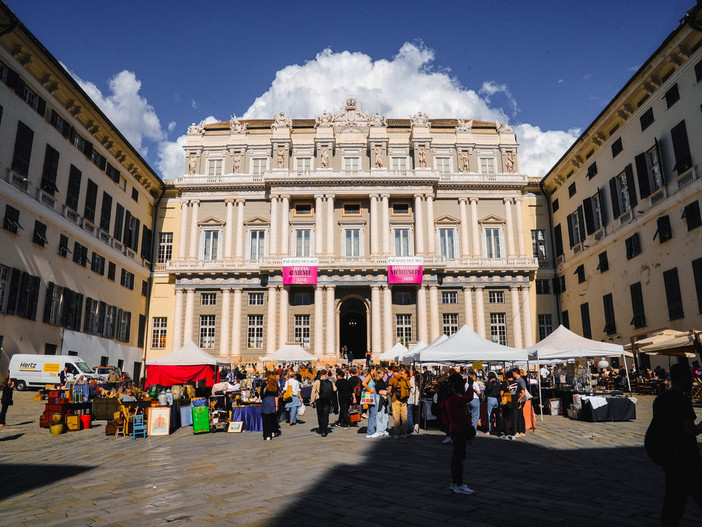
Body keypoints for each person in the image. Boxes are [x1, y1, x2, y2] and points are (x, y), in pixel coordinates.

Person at [649, 363, 702, 525]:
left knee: (674, 499)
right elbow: (690, 430)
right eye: (689, 377)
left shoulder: (660, 399)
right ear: (683, 378)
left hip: (669, 455)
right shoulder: (682, 401)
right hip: (685, 455)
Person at [445, 372, 475, 495]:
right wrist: (471, 385)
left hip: (456, 429)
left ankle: (456, 482)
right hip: (459, 430)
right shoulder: (454, 398)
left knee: (457, 458)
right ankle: (458, 484)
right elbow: (468, 398)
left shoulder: (451, 397)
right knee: (459, 458)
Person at [310, 369, 337, 437]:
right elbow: (335, 389)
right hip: (327, 400)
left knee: (320, 415)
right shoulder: (330, 381)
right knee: (326, 415)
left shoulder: (317, 381)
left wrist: (312, 401)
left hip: (319, 399)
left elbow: (313, 391)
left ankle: (321, 428)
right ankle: (325, 430)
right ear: (326, 374)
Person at [389, 367, 411, 438]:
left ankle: (396, 433)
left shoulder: (393, 379)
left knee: (396, 417)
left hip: (395, 400)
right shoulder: (406, 380)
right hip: (404, 400)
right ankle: (404, 433)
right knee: (404, 417)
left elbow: (389, 390)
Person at [259, 374, 279, 441]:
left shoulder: (264, 384)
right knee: (272, 418)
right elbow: (276, 396)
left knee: (265, 419)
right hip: (272, 402)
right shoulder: (275, 385)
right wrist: (276, 406)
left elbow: (261, 394)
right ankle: (273, 431)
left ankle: (267, 435)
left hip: (266, 402)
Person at [370, 369, 390, 438]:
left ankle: (382, 430)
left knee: (384, 414)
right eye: (380, 374)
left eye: (383, 374)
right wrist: (385, 392)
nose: (382, 375)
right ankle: (379, 431)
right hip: (379, 398)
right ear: (377, 374)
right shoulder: (376, 380)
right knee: (379, 414)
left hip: (383, 398)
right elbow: (378, 390)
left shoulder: (381, 381)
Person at [510, 368, 527, 438]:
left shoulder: (521, 381)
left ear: (514, 373)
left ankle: (520, 431)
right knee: (520, 415)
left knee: (519, 415)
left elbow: (523, 392)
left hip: (521, 400)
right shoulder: (517, 380)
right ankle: (522, 430)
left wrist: (519, 400)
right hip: (518, 399)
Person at [362, 367, 377, 438]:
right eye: (375, 369)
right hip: (371, 395)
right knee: (373, 414)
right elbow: (364, 383)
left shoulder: (372, 376)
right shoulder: (369, 376)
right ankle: (370, 432)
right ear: (372, 370)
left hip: (371, 396)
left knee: (372, 414)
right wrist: (370, 389)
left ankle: (370, 430)